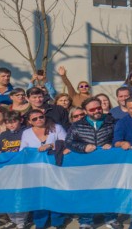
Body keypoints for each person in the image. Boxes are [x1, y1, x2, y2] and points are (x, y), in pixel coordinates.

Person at [64, 97, 120, 229]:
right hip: (85, 166)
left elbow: (118, 138)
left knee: (108, 191)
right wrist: (83, 148)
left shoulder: (111, 122)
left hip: (107, 165)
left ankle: (110, 218)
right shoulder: (77, 125)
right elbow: (69, 142)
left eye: (98, 107)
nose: (97, 111)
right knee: (86, 193)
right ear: (85, 111)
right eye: (92, 109)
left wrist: (111, 144)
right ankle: (85, 221)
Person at [18, 109, 67, 229]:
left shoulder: (56, 127)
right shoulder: (27, 133)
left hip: (55, 168)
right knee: (38, 196)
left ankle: (57, 222)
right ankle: (40, 222)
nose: (39, 120)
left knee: (55, 194)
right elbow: (23, 150)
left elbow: (66, 143)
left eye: (41, 117)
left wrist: (51, 145)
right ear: (29, 121)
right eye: (34, 119)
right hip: (35, 170)